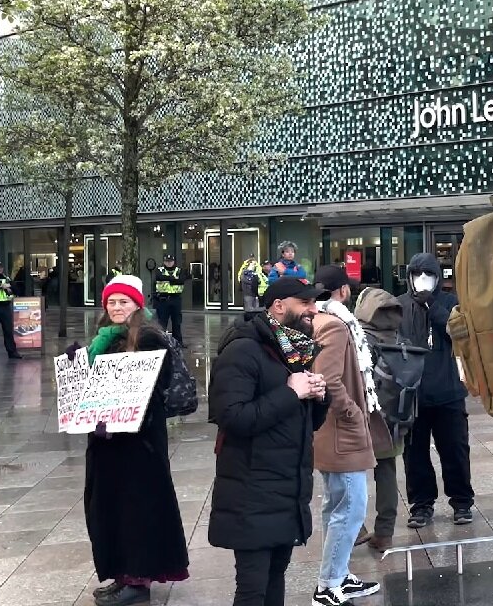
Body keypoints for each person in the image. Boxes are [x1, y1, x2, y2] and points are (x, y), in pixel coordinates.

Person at [208, 277, 331, 606]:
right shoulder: (243, 349)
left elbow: (305, 424)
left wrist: (318, 397)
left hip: (284, 490)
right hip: (252, 492)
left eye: (314, 303)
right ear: (278, 306)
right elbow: (232, 417)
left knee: (275, 579)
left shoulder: (292, 351)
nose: (313, 310)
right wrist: (291, 392)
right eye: (304, 303)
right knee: (252, 589)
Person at [84, 276, 189, 606]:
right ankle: (122, 574)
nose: (116, 307)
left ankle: (138, 581)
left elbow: (145, 390)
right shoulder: (107, 338)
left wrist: (117, 417)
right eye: (111, 302)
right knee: (111, 506)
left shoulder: (148, 337)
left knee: (136, 508)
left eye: (123, 302)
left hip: (138, 440)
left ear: (137, 305)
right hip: (109, 439)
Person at [309, 265, 382, 606]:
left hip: (330, 430)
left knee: (335, 504)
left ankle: (338, 573)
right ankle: (328, 585)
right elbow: (328, 380)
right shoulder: (336, 326)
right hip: (341, 431)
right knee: (352, 507)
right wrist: (353, 412)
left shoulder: (317, 321)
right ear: (342, 291)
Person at [398, 252, 475, 528]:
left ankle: (462, 501)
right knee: (415, 454)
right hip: (413, 395)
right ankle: (421, 504)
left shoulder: (450, 303)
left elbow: (458, 334)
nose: (422, 280)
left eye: (427, 275)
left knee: (454, 449)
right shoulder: (400, 306)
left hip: (447, 391)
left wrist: (433, 305)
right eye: (416, 275)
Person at [352, 286, 407, 553]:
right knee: (386, 473)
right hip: (395, 417)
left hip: (363, 417)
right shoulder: (398, 336)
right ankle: (384, 533)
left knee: (352, 473)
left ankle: (354, 528)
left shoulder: (358, 337)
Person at [153, 255, 186, 345]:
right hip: (163, 300)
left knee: (177, 322)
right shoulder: (159, 270)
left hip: (176, 299)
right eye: (167, 261)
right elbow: (159, 277)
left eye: (170, 261)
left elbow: (182, 280)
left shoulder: (179, 270)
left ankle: (178, 342)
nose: (169, 263)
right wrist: (174, 279)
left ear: (174, 261)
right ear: (164, 262)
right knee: (162, 323)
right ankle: (161, 342)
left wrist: (168, 279)